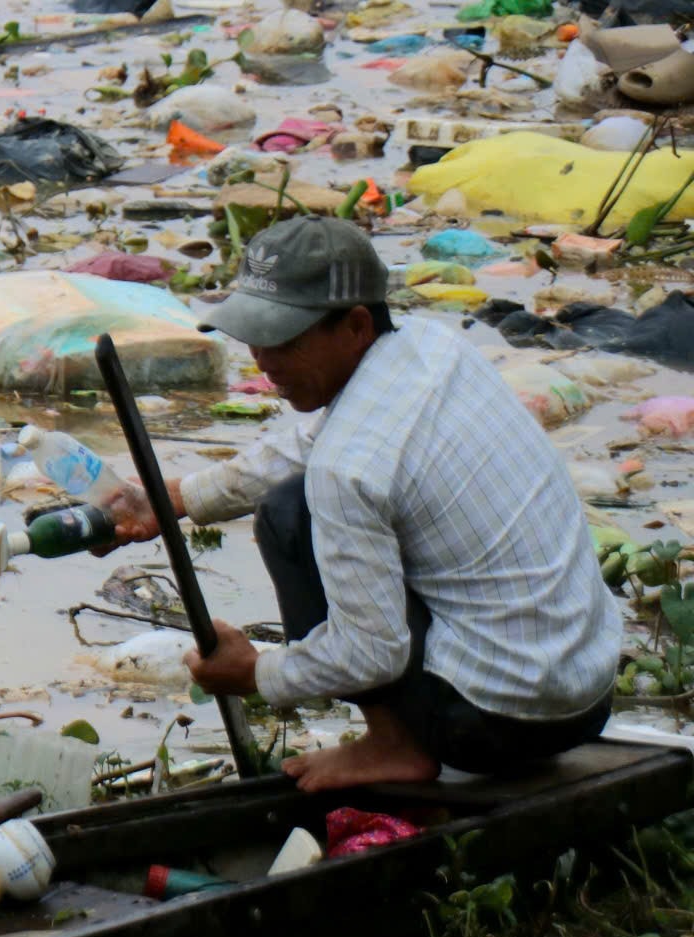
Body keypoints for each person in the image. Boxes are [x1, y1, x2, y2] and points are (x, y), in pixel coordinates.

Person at [95, 216, 619, 791]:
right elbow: (306, 440)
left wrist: (258, 673)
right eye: (256, 338)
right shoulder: (431, 347)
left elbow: (372, 654)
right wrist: (178, 499)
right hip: (588, 694)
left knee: (288, 517)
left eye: (287, 342)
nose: (265, 363)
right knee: (307, 500)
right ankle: (402, 733)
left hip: (492, 722)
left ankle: (392, 746)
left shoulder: (347, 471)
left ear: (356, 326)